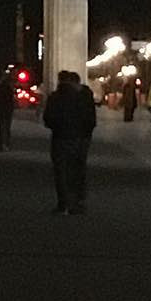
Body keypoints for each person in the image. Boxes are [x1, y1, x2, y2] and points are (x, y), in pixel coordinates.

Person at [43, 70, 97, 214]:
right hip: (81, 139)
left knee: (61, 171)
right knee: (78, 170)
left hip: (60, 138)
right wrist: (86, 135)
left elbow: (48, 119)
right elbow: (91, 120)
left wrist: (58, 127)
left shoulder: (55, 97)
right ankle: (78, 202)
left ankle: (63, 203)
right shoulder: (85, 96)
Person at [0, 71, 16, 152]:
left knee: (1, 128)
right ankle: (6, 144)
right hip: (8, 110)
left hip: (1, 110)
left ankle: (1, 144)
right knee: (7, 128)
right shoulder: (10, 88)